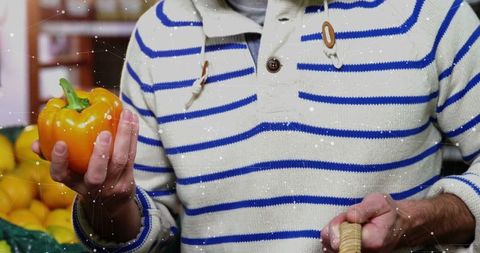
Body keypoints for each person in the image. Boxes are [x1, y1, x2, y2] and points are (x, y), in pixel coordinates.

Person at [33, 0, 480, 252]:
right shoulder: (157, 35)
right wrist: (109, 205)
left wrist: (422, 219)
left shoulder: (428, 13)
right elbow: (155, 233)